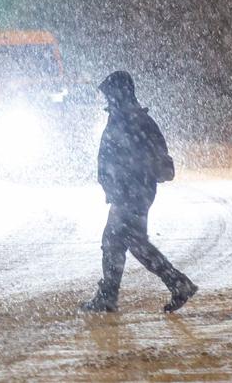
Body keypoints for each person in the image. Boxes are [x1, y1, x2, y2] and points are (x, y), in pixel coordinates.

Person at [81, 70, 198, 314]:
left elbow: (143, 158)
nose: (107, 99)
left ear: (119, 93)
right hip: (131, 192)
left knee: (123, 242)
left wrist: (123, 183)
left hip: (132, 193)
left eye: (109, 94)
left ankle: (176, 284)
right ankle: (115, 294)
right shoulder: (126, 117)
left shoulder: (132, 120)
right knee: (124, 243)